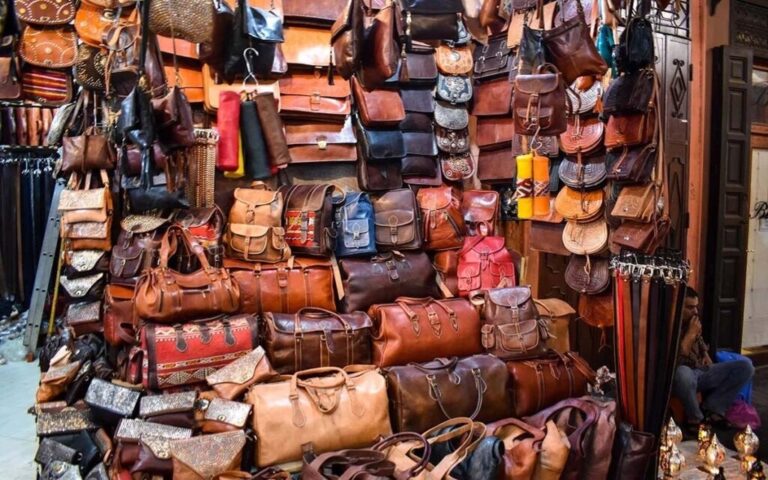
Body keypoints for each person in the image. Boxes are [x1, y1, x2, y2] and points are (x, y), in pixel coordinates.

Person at [673, 287, 755, 431]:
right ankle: (696, 419)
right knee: (682, 373)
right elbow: (677, 359)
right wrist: (690, 334)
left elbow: (701, 343)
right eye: (690, 307)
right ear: (679, 307)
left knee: (746, 366)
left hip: (700, 371)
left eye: (696, 307)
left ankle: (713, 409)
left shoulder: (693, 322)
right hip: (682, 376)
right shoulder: (671, 325)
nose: (695, 311)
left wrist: (706, 356)